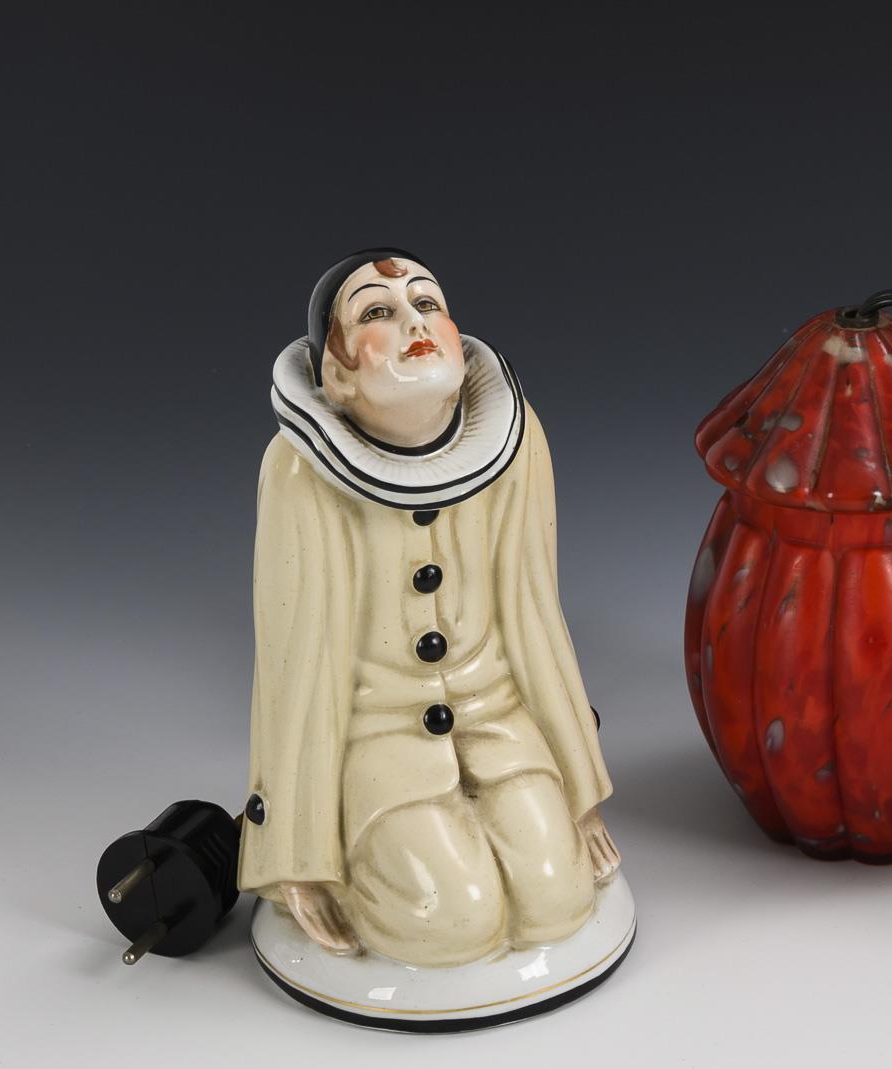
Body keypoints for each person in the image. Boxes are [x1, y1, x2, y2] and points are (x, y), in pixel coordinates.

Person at [238, 249, 620, 968]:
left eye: (427, 303)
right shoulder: (299, 472)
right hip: (377, 742)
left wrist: (581, 788)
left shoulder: (515, 440)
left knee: (557, 901)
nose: (413, 321)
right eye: (378, 312)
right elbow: (298, 664)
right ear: (338, 373)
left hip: (499, 723)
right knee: (451, 924)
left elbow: (535, 617)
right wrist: (293, 851)